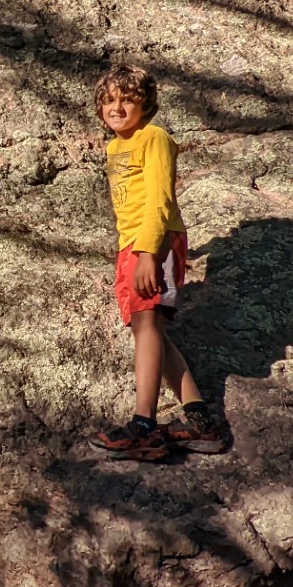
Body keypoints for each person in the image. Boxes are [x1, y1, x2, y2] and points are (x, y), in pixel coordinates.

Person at [86, 63, 233, 461]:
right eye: (109, 101)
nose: (116, 107)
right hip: (131, 243)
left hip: (151, 242)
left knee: (147, 325)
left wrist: (150, 253)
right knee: (148, 330)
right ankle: (200, 420)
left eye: (127, 100)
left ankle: (144, 426)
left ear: (145, 105)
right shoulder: (116, 145)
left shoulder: (154, 138)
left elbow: (160, 199)